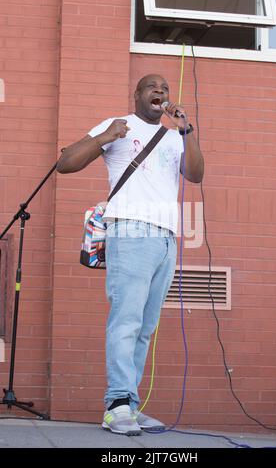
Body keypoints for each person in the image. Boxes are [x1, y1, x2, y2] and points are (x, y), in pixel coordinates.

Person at [57, 74, 204, 435]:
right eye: (152, 86)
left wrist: (187, 130)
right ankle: (116, 404)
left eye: (165, 88)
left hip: (166, 238)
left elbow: (196, 174)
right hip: (132, 231)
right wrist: (105, 137)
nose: (160, 91)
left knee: (144, 327)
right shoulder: (117, 125)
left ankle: (129, 405)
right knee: (126, 320)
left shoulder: (174, 137)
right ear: (137, 94)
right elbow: (66, 162)